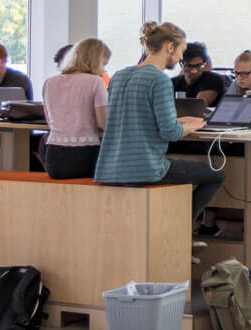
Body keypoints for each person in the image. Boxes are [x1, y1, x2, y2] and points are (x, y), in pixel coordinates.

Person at [93, 22, 221, 233]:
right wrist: (193, 125)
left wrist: (179, 119)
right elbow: (170, 133)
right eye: (181, 51)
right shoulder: (159, 80)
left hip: (110, 166)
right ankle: (177, 228)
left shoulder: (119, 76)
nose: (181, 58)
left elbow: (134, 118)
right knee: (216, 175)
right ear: (170, 47)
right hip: (145, 167)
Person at [42, 38, 110, 180]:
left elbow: (49, 122)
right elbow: (103, 123)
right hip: (84, 154)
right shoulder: (96, 82)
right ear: (95, 60)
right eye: (104, 64)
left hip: (53, 155)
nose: (103, 70)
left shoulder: (49, 83)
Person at [172, 42, 227, 107]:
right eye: (189, 66)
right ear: (182, 64)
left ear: (204, 63)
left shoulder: (213, 80)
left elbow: (198, 107)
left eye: (198, 65)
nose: (194, 71)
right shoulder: (173, 82)